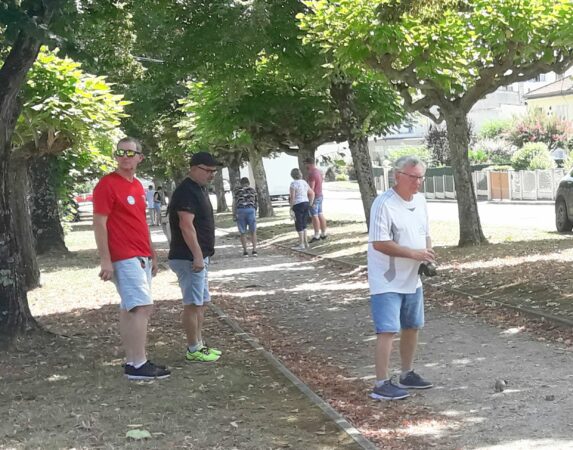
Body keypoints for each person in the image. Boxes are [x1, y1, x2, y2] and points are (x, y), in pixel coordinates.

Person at [93, 137, 170, 380]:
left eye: (130, 153)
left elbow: (141, 224)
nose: (125, 157)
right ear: (115, 156)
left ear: (140, 157)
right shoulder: (107, 184)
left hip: (141, 255)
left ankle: (132, 361)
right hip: (123, 255)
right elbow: (99, 223)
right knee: (142, 306)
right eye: (120, 152)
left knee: (130, 307)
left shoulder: (137, 186)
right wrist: (105, 259)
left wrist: (152, 253)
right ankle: (139, 364)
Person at [367, 155, 434, 400]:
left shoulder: (421, 201)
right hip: (386, 278)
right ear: (397, 176)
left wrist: (426, 255)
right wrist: (412, 253)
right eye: (413, 177)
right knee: (387, 329)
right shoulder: (383, 204)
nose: (418, 183)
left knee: (412, 326)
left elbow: (425, 232)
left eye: (421, 178)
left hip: (412, 277)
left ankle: (407, 373)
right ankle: (381, 383)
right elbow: (379, 243)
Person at [168, 151, 223, 363]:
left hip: (200, 257)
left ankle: (199, 344)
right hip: (188, 258)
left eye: (214, 172)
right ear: (193, 168)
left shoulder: (199, 189)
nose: (211, 175)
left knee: (201, 302)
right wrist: (197, 256)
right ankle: (193, 348)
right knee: (192, 304)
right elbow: (186, 225)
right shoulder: (186, 192)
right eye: (207, 170)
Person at [289, 168, 314, 250]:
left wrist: (291, 207)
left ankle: (301, 243)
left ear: (292, 175)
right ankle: (306, 242)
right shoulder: (304, 182)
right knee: (304, 223)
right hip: (306, 203)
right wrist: (310, 203)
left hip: (298, 204)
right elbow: (312, 193)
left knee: (298, 223)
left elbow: (292, 197)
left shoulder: (293, 184)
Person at [232, 177, 258, 257]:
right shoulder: (253, 190)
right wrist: (255, 211)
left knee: (242, 232)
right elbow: (256, 202)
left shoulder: (237, 191)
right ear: (248, 183)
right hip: (251, 210)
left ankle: (245, 251)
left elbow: (234, 203)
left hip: (241, 211)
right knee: (253, 231)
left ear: (241, 183)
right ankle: (254, 250)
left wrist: (234, 214)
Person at [305, 157, 327, 242]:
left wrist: (310, 198)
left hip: (314, 197)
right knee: (320, 213)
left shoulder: (312, 174)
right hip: (320, 195)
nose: (305, 166)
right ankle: (324, 233)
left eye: (306, 164)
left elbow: (311, 188)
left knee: (314, 215)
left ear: (309, 164)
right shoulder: (318, 172)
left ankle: (316, 235)